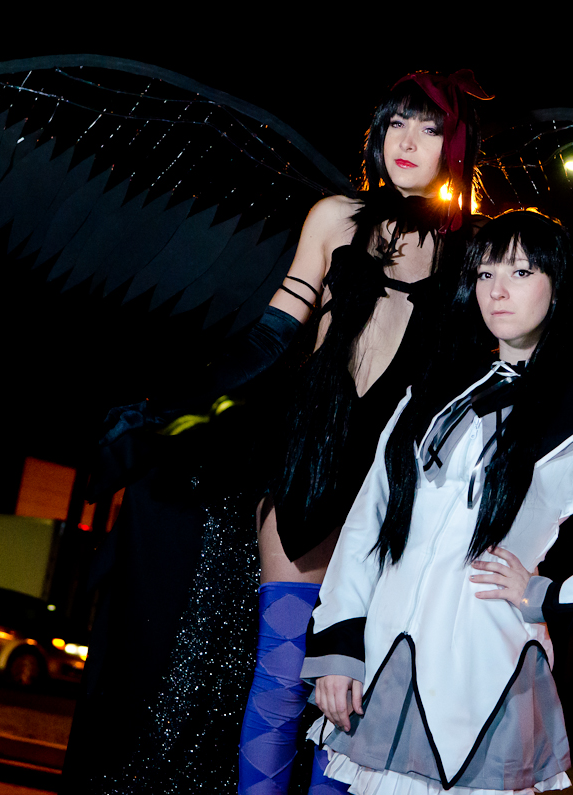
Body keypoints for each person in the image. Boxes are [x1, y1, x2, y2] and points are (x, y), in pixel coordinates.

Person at [301, 211, 573, 794]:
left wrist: (551, 597)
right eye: (485, 274)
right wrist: (339, 643)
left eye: (521, 272)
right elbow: (370, 519)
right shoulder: (435, 387)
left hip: (484, 668)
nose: (497, 290)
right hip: (385, 657)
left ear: (558, 286)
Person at [237, 71, 490, 795]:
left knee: (350, 695)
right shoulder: (335, 217)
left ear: (454, 147)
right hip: (313, 453)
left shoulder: (473, 251)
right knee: (282, 676)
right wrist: (179, 401)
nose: (407, 141)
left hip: (395, 480)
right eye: (396, 123)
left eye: (430, 129)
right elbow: (273, 332)